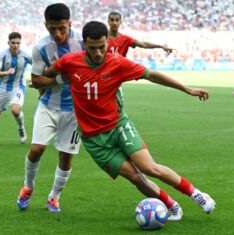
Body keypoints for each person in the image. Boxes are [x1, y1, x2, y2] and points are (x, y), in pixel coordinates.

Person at [33, 21, 216, 220]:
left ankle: (197, 195)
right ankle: (171, 205)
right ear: (85, 44)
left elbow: (151, 75)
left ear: (107, 43)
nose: (98, 53)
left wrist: (188, 89)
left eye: (102, 47)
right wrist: (51, 84)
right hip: (94, 140)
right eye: (92, 48)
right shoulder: (69, 61)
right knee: (135, 177)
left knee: (149, 167)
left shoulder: (117, 63)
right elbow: (45, 76)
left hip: (118, 126)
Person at [16, 3, 83, 213]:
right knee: (37, 149)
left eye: (61, 28)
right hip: (49, 106)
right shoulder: (41, 47)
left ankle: (54, 197)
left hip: (75, 110)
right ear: (46, 26)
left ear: (70, 23)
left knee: (65, 156)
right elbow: (35, 80)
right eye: (52, 28)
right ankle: (28, 186)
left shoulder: (82, 41)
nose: (57, 33)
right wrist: (62, 80)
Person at [107, 11, 173, 108]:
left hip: (117, 76)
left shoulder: (125, 39)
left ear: (121, 22)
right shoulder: (102, 37)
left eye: (117, 20)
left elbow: (143, 44)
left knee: (116, 105)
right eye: (112, 20)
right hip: (104, 74)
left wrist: (160, 46)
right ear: (108, 21)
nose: (114, 22)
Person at [0, 32, 32, 145]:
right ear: (8, 43)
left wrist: (35, 79)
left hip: (18, 87)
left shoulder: (25, 56)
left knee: (15, 110)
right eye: (13, 43)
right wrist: (6, 72)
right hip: (2, 88)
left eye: (18, 43)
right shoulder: (3, 55)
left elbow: (38, 65)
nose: (15, 45)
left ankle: (21, 129)